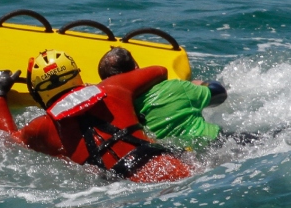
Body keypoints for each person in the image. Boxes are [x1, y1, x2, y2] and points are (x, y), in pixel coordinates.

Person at [0, 49, 193, 183]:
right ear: (77, 75)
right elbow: (159, 70)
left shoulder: (43, 127)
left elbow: (7, 140)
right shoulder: (114, 88)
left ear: (38, 92)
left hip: (126, 190)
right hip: (173, 166)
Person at [97, 47, 230, 147]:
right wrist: (202, 84)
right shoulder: (175, 87)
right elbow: (219, 93)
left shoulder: (117, 115)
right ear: (137, 67)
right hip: (217, 144)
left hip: (179, 160)